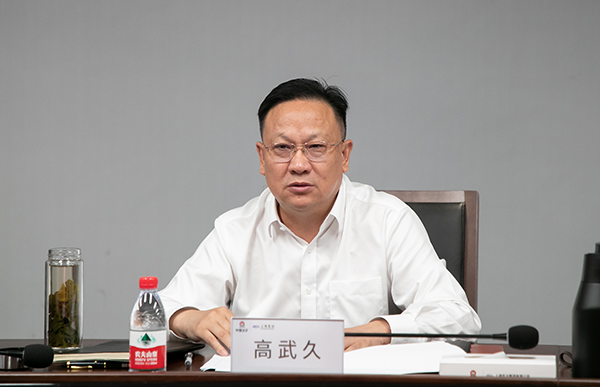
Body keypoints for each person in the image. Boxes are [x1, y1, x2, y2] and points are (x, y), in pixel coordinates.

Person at [159, 78, 481, 356]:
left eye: (315, 147)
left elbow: (457, 316)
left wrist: (380, 331)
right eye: (283, 148)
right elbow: (154, 315)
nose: (299, 165)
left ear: (344, 155)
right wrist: (191, 319)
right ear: (262, 157)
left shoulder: (388, 220)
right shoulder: (234, 230)